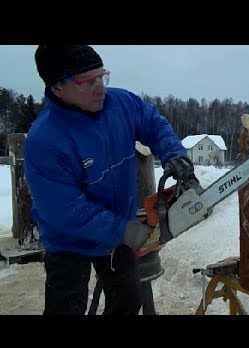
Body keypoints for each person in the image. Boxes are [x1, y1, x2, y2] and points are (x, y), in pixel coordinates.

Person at [24, 45, 197, 315]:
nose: (99, 88)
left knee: (128, 301)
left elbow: (154, 123)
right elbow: (65, 211)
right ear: (58, 88)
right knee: (66, 309)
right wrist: (124, 230)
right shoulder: (45, 140)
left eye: (102, 77)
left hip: (117, 230)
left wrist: (174, 154)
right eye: (87, 82)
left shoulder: (121, 104)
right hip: (68, 240)